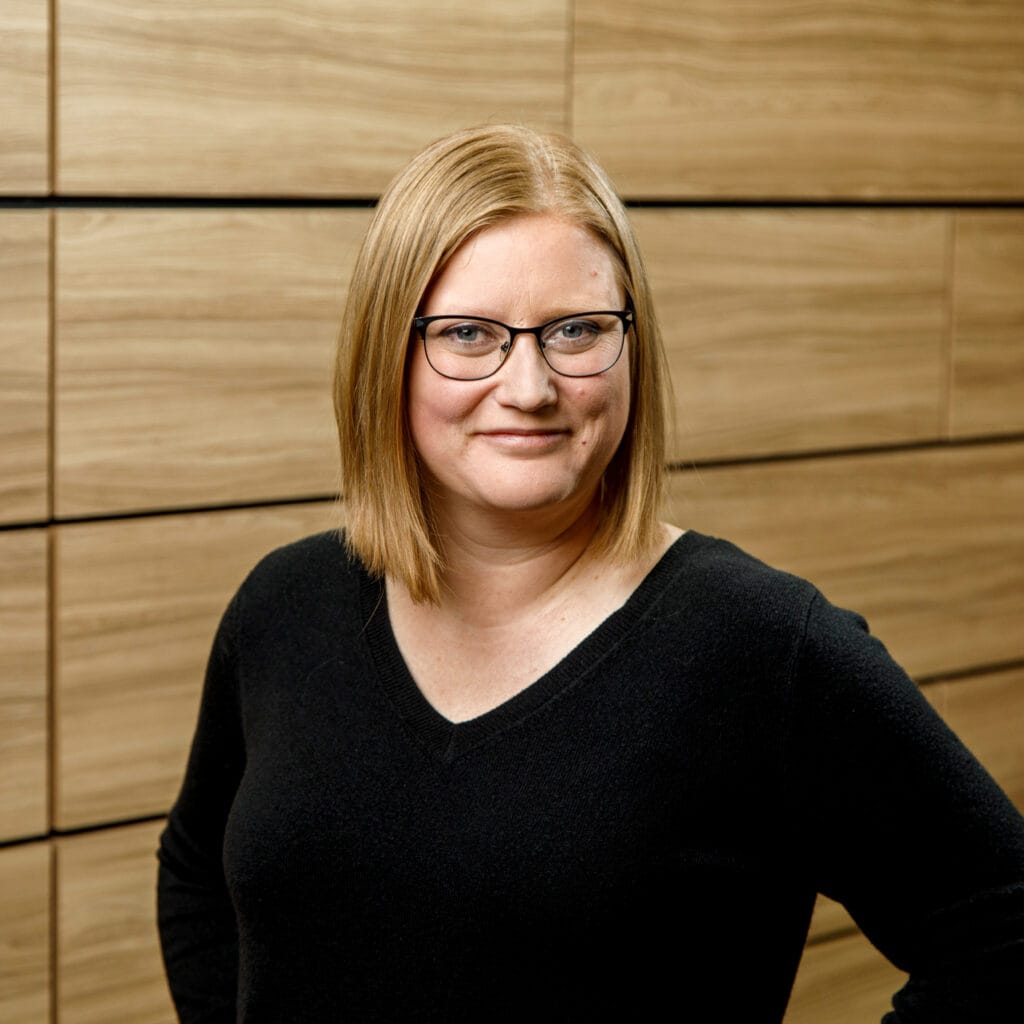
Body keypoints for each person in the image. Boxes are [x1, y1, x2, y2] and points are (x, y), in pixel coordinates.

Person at [157, 124, 1024, 1022]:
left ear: (631, 345)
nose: (529, 385)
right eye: (466, 333)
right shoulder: (285, 606)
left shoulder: (759, 644)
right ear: (387, 354)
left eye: (576, 330)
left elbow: (1005, 938)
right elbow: (195, 868)